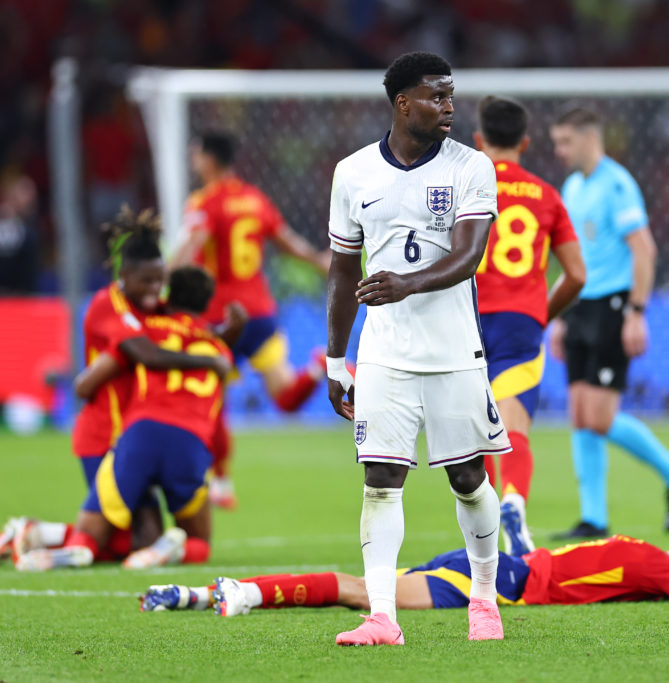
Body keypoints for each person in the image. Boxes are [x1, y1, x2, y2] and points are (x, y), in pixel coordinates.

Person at [325, 51, 507, 646]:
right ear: (403, 102)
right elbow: (340, 271)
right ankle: (382, 616)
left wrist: (405, 283)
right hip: (383, 355)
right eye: (436, 95)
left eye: (452, 94)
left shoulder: (472, 167)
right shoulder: (352, 173)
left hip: (455, 350)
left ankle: (484, 597)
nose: (449, 106)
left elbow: (468, 256)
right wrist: (335, 359)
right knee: (380, 479)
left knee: (467, 475)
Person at [0, 208, 236, 568]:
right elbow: (143, 353)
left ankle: (37, 534)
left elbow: (186, 333)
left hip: (135, 434)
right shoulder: (107, 306)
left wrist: (222, 333)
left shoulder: (150, 306)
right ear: (124, 276)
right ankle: (34, 532)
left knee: (139, 542)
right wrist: (212, 360)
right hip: (104, 435)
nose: (155, 292)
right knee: (119, 542)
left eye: (160, 282)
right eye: (146, 281)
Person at [16, 265, 232, 571]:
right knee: (200, 540)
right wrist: (220, 467)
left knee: (92, 529)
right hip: (191, 441)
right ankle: (176, 549)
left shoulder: (147, 331)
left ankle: (77, 549)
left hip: (141, 434)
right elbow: (220, 418)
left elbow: (87, 382)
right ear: (208, 305)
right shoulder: (220, 351)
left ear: (167, 297)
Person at [547, 107, 669, 540]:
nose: (559, 151)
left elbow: (643, 250)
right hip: (579, 306)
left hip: (613, 305)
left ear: (589, 138)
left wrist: (636, 311)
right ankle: (593, 517)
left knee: (600, 416)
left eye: (565, 142)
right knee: (579, 413)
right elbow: (573, 258)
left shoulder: (617, 184)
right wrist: (559, 315)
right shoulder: (573, 187)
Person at [170, 131, 332, 510]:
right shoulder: (254, 200)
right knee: (285, 398)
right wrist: (320, 262)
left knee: (209, 400)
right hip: (260, 312)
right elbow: (288, 241)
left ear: (209, 159)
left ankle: (221, 482)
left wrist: (163, 279)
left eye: (196, 156)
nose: (195, 162)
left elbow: (191, 243)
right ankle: (318, 367)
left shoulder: (204, 203)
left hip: (220, 319)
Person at [471, 95, 585, 556]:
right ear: (526, 142)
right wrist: (542, 314)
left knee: (470, 427)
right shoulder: (546, 194)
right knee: (513, 425)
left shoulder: (464, 189)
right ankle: (514, 499)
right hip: (520, 322)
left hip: (466, 316)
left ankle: (479, 530)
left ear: (478, 141)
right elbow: (576, 274)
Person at [138, 530, 669, 614]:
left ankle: (204, 593)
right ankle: (239, 592)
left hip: (483, 563)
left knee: (363, 587)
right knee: (358, 593)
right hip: (493, 581)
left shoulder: (635, 549)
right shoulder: (661, 566)